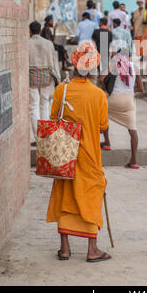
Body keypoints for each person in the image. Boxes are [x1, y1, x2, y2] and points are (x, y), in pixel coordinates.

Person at [46, 43, 111, 262]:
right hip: (90, 155)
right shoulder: (98, 95)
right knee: (91, 195)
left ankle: (65, 249)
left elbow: (53, 117)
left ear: (74, 65)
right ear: (92, 68)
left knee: (64, 195)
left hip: (65, 154)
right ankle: (92, 249)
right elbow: (103, 126)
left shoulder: (61, 90)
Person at [100, 48, 144, 167]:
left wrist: (108, 89)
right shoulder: (134, 67)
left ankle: (107, 143)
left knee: (104, 116)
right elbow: (141, 88)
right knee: (133, 131)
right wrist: (128, 90)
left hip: (114, 98)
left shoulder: (114, 64)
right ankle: (133, 161)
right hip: (128, 100)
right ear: (129, 56)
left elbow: (101, 79)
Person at [29, 21, 61, 147]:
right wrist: (57, 79)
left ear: (30, 31)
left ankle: (38, 138)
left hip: (31, 76)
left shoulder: (27, 43)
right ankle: (46, 136)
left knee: (33, 107)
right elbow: (54, 62)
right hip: (47, 76)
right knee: (44, 105)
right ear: (40, 29)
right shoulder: (49, 43)